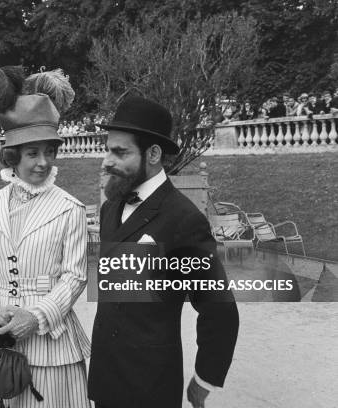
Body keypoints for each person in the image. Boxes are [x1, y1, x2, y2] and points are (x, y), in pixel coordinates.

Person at [87, 96, 239, 408]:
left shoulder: (184, 220)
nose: (106, 160)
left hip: (150, 388)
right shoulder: (110, 208)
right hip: (104, 381)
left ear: (153, 154)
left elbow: (219, 309)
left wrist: (204, 378)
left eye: (120, 152)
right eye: (107, 149)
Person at [0, 66, 90, 408]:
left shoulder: (70, 209)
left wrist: (35, 317)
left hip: (53, 346)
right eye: (32, 153)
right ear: (13, 156)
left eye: (49, 152)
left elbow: (75, 276)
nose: (42, 163)